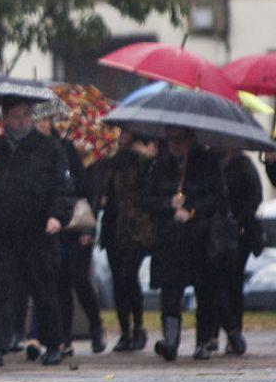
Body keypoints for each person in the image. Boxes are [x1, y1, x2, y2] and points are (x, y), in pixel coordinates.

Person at [0, 99, 74, 368]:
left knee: (43, 288)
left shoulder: (49, 148)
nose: (21, 121)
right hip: (0, 231)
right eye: (15, 116)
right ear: (5, 119)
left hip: (37, 230)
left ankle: (52, 343)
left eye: (26, 115)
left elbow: (63, 186)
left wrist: (57, 216)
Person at [144, 128, 228, 361]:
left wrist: (192, 210)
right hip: (170, 241)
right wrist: (169, 204)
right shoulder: (161, 165)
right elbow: (148, 199)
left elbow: (218, 197)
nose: (174, 145)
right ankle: (171, 340)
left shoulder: (207, 163)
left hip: (200, 239)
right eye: (170, 139)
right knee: (170, 291)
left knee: (205, 291)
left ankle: (203, 341)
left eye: (179, 140)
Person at [36, 115, 104, 356]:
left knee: (79, 278)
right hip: (51, 225)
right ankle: (64, 338)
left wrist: (88, 227)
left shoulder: (66, 149)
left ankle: (96, 326)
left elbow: (86, 188)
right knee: (60, 281)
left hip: (74, 223)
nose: (40, 125)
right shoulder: (33, 151)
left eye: (44, 120)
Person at [96, 131, 156, 351]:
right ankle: (125, 331)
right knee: (118, 281)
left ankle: (138, 327)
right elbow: (104, 189)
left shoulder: (144, 160)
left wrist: (147, 156)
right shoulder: (112, 162)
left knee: (128, 276)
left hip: (135, 228)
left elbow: (149, 187)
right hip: (113, 226)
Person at [218, 149, 262, 356]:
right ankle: (223, 330)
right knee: (218, 283)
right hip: (218, 231)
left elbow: (255, 196)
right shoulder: (214, 163)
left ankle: (234, 330)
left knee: (233, 282)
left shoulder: (244, 166)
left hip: (240, 232)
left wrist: (241, 220)